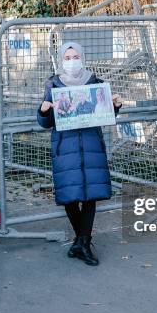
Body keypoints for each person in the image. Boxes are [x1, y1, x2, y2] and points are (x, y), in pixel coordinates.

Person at [38, 42, 122, 266]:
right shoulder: (53, 84)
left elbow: (105, 114)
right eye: (67, 57)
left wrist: (115, 106)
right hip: (65, 148)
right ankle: (82, 242)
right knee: (70, 196)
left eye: (75, 56)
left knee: (91, 196)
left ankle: (82, 243)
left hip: (91, 144)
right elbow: (44, 122)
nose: (72, 61)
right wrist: (44, 111)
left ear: (82, 57)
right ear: (61, 59)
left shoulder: (96, 83)